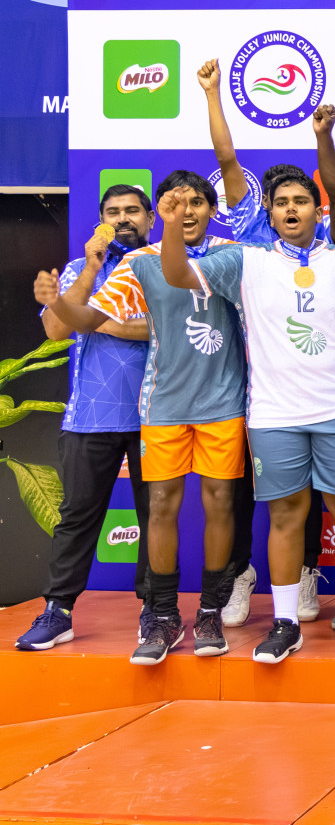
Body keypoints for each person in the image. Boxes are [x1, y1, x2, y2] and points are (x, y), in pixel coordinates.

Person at [155, 123, 335, 663]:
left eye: (302, 201)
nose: (291, 210)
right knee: (285, 516)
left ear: (316, 210)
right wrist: (168, 225)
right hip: (274, 414)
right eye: (281, 203)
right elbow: (176, 271)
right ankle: (283, 623)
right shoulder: (244, 261)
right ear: (271, 214)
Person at [49, 172, 247, 665]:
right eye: (175, 202)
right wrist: (57, 300)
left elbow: (180, 273)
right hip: (162, 406)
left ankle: (210, 611)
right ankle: (161, 614)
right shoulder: (138, 261)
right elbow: (87, 321)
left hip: (224, 403)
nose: (188, 210)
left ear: (210, 207)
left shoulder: (235, 253)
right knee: (159, 506)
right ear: (161, 208)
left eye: (197, 201)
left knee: (221, 503)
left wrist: (172, 231)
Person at [15, 186, 153, 651]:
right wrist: (93, 269)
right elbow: (56, 329)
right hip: (90, 418)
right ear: (100, 221)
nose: (123, 219)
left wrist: (97, 320)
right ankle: (59, 611)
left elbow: (160, 328)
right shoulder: (79, 270)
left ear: (150, 218)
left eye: (132, 210)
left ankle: (154, 610)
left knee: (156, 517)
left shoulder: (162, 266)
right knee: (76, 517)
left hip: (155, 413)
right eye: (113, 213)